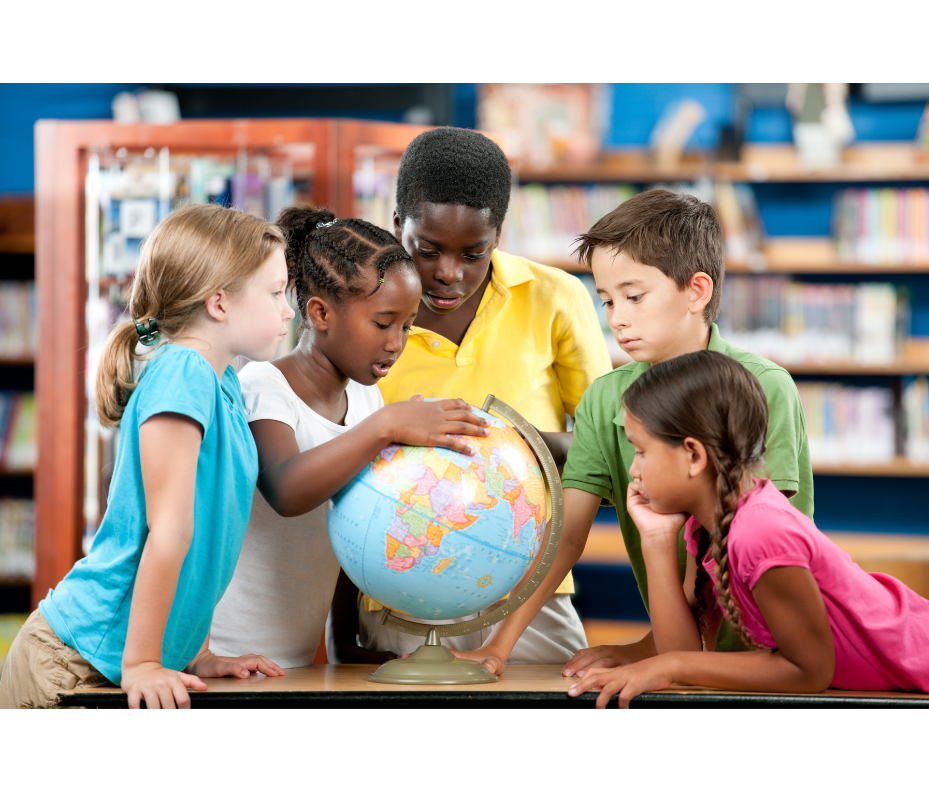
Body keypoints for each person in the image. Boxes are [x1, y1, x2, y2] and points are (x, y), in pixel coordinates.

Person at [456, 188, 815, 676]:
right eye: (606, 300)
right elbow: (565, 538)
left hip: (777, 656)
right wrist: (498, 648)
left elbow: (750, 540)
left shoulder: (763, 386)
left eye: (634, 296)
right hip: (684, 655)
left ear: (697, 291)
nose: (617, 318)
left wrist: (659, 654)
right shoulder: (606, 399)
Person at [327, 126, 612, 665]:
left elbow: (606, 448)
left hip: (528, 588)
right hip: (395, 582)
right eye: (426, 250)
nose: (448, 273)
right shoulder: (356, 314)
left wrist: (514, 443)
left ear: (499, 234)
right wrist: (342, 629)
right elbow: (329, 466)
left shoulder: (555, 299)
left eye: (473, 252)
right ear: (396, 226)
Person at [0, 204, 293, 709]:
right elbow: (170, 530)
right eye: (274, 293)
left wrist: (193, 654)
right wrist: (143, 663)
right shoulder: (183, 372)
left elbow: (207, 537)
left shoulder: (219, 377)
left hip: (128, 659)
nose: (287, 309)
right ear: (219, 303)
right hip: (75, 662)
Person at [568, 351, 929, 707]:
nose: (634, 470)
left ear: (694, 456)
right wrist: (655, 540)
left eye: (641, 451)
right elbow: (680, 648)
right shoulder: (707, 525)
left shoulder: (760, 532)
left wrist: (670, 666)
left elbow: (808, 671)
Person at [208, 206, 489, 668]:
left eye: (407, 325)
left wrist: (342, 642)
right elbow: (285, 488)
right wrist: (385, 429)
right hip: (222, 651)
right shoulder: (262, 386)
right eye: (382, 323)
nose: (396, 342)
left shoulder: (365, 401)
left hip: (291, 659)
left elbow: (350, 529)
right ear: (319, 313)